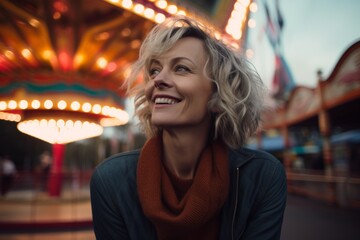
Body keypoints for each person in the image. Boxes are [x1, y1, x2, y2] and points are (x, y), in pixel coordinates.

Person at [90, 16, 287, 240]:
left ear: (218, 94)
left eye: (181, 68)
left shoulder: (263, 177)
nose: (158, 80)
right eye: (154, 71)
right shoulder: (110, 182)